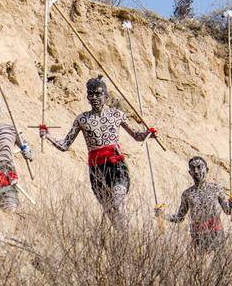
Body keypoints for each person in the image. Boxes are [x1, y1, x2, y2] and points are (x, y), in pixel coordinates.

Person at [39, 75, 153, 228]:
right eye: (90, 94)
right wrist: (48, 136)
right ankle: (124, 238)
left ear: (106, 96)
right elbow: (65, 145)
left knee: (117, 201)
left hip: (117, 165)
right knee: (111, 212)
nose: (94, 98)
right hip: (96, 169)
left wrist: (148, 134)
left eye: (98, 94)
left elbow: (136, 136)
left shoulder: (116, 115)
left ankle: (126, 234)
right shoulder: (82, 120)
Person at [156, 156, 232, 251]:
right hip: (198, 236)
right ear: (190, 173)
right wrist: (163, 215)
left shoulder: (216, 189)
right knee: (200, 265)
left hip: (217, 234)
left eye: (199, 167)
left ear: (206, 170)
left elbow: (227, 211)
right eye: (193, 169)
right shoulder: (187, 194)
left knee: (219, 265)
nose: (196, 171)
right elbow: (180, 218)